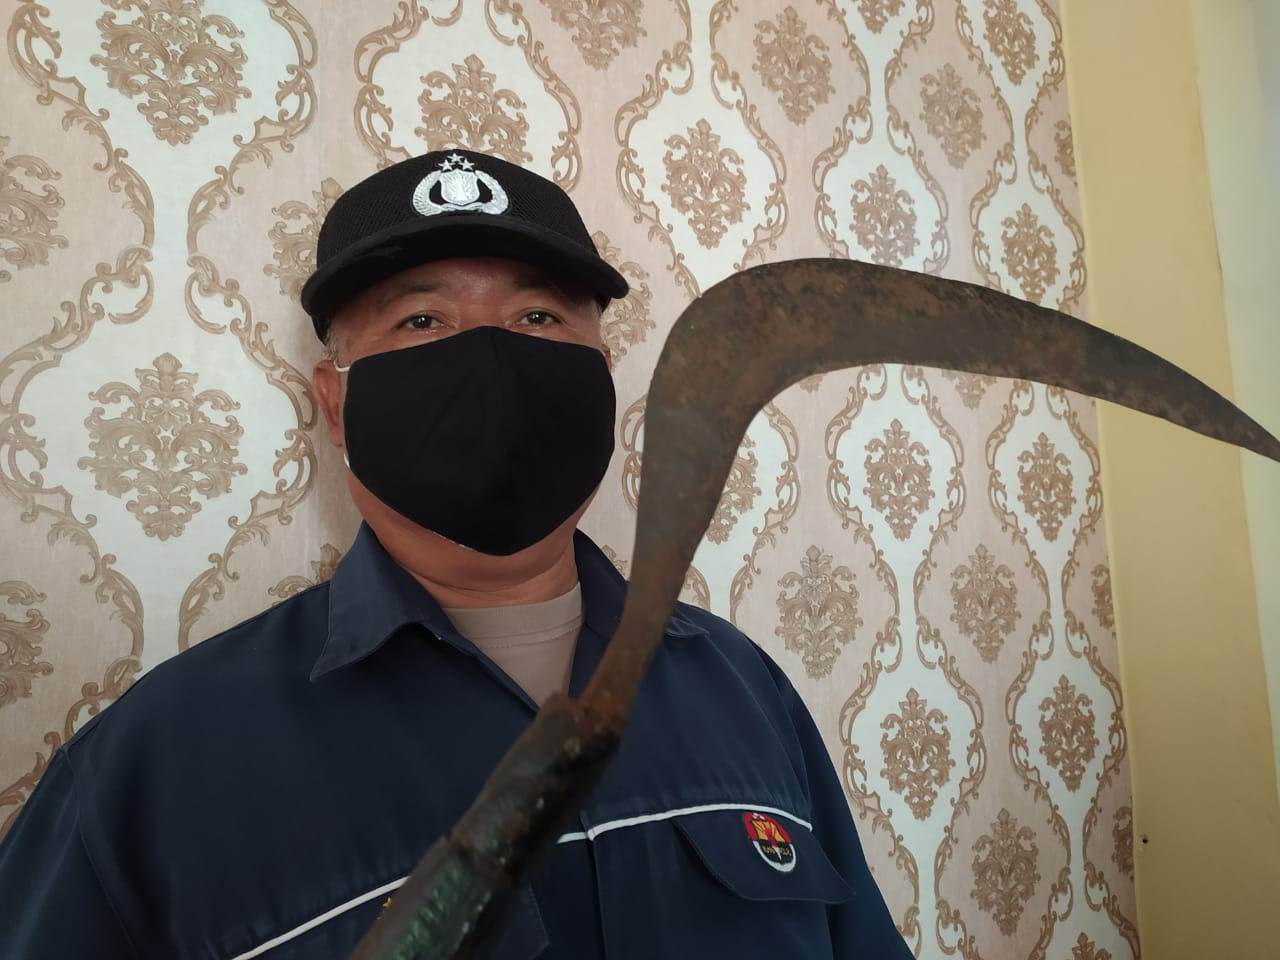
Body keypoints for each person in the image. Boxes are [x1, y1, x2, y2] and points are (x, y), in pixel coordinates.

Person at [0, 149, 912, 959]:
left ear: (601, 379)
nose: (491, 360)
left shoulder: (743, 686)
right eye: (423, 321)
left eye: (539, 317)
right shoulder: (150, 774)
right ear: (334, 404)